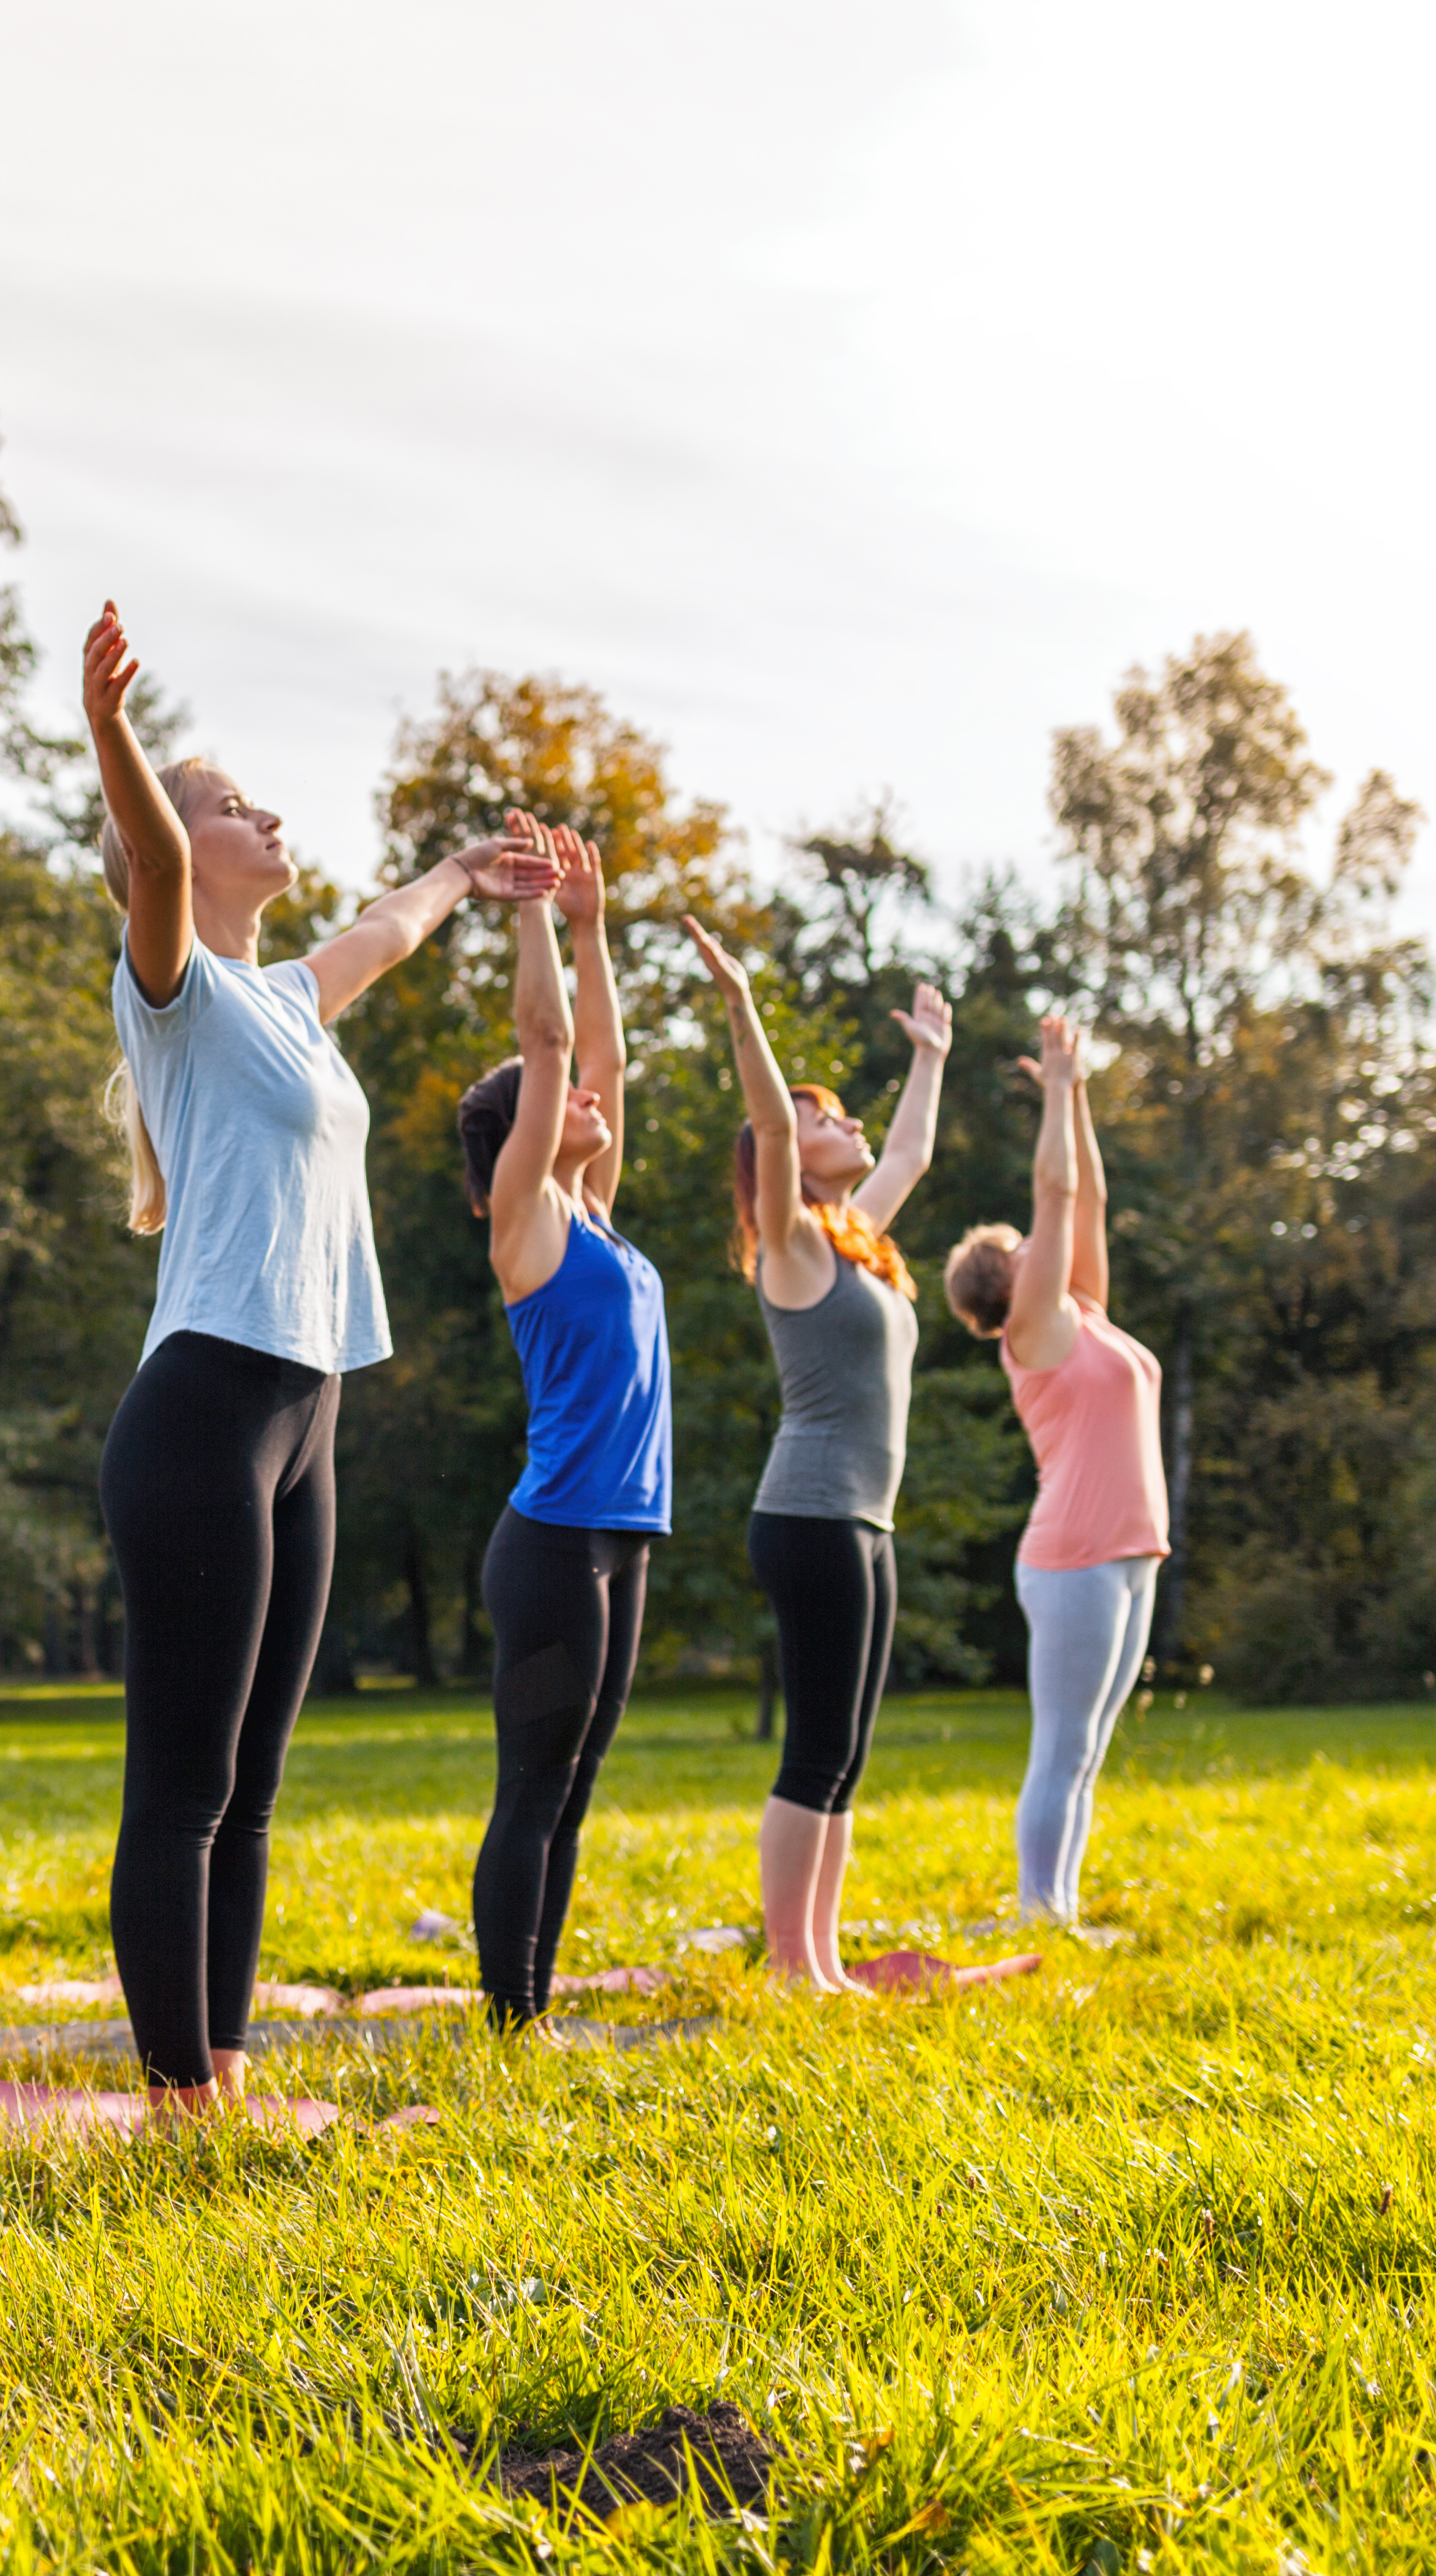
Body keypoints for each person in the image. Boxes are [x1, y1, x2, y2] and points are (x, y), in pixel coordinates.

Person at [79, 601, 555, 2110]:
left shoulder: (290, 1006)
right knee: (186, 1785)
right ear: (171, 841)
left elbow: (387, 931)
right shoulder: (175, 989)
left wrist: (474, 874)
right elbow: (152, 860)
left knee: (258, 1790)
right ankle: (177, 2107)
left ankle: (223, 2069)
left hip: (309, 1413)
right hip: (207, 1410)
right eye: (233, 806)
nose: (263, 817)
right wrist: (118, 741)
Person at [683, 920, 952, 1991]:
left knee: (846, 1749)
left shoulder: (862, 1240)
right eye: (819, 1116)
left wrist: (931, 1055)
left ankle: (825, 1961)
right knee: (814, 1745)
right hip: (810, 1515)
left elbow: (914, 1153)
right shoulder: (793, 1247)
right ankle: (794, 1966)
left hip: (863, 1521)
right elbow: (771, 1125)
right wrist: (743, 1007)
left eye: (842, 1113)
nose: (844, 1123)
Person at [452, 829, 666, 2033]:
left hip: (621, 1542)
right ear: (522, 1133)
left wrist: (592, 926)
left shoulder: (602, 1223)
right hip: (551, 1550)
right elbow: (550, 1050)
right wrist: (529, 911)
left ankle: (534, 2014)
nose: (584, 1096)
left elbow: (603, 1059)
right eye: (557, 1100)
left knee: (576, 1788)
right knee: (532, 1789)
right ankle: (510, 2024)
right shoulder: (527, 1224)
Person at [943, 1015, 1166, 1946]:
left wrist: (1075, 1090)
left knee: (1090, 1751)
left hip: (1128, 1553)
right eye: (1031, 1243)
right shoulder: (1032, 1335)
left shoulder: (1086, 1315)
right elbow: (1058, 1189)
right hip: (1072, 1558)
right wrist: (1051, 1098)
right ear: (1011, 1281)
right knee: (1063, 1743)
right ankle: (1043, 1914)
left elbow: (1091, 1197)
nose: (1052, 1242)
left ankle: (1061, 1910)